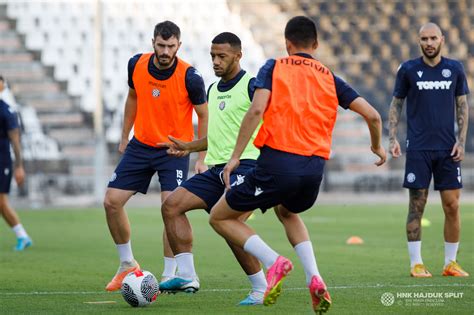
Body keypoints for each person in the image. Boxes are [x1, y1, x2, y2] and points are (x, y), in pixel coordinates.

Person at [208, 16, 386, 313]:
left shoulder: (274, 66)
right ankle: (314, 277)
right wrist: (377, 145)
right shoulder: (329, 76)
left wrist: (236, 156)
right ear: (315, 45)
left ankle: (274, 262)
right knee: (287, 210)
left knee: (220, 217)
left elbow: (256, 111)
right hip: (314, 170)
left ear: (287, 43)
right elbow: (373, 116)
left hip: (278, 162)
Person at [157, 32, 267, 305]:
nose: (215, 62)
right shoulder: (213, 89)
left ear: (238, 56)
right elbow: (217, 137)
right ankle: (187, 275)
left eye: (222, 56)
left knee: (228, 225)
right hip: (216, 170)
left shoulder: (253, 86)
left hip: (247, 168)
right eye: (212, 56)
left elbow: (267, 123)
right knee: (171, 206)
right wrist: (189, 146)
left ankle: (261, 287)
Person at [103, 21, 208, 291]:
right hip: (140, 145)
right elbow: (133, 98)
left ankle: (170, 274)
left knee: (170, 207)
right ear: (153, 42)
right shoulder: (136, 64)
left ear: (178, 46)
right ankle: (127, 263)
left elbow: (204, 114)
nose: (165, 51)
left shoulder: (190, 76)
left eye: (170, 46)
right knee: (111, 202)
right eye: (161, 45)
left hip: (173, 149)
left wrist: (199, 153)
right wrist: (124, 135)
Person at [388, 22, 470, 278]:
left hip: (448, 149)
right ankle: (416, 264)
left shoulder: (454, 68)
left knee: (452, 206)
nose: (429, 43)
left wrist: (462, 142)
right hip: (418, 149)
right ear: (418, 41)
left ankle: (450, 263)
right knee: (416, 206)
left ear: (442, 39)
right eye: (424, 39)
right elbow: (396, 104)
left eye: (433, 38)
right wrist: (392, 138)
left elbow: (463, 106)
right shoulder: (409, 69)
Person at [0, 75, 32, 251]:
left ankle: (23, 236)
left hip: (2, 161)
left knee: (2, 202)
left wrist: (19, 166)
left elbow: (16, 140)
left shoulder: (6, 111)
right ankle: (22, 236)